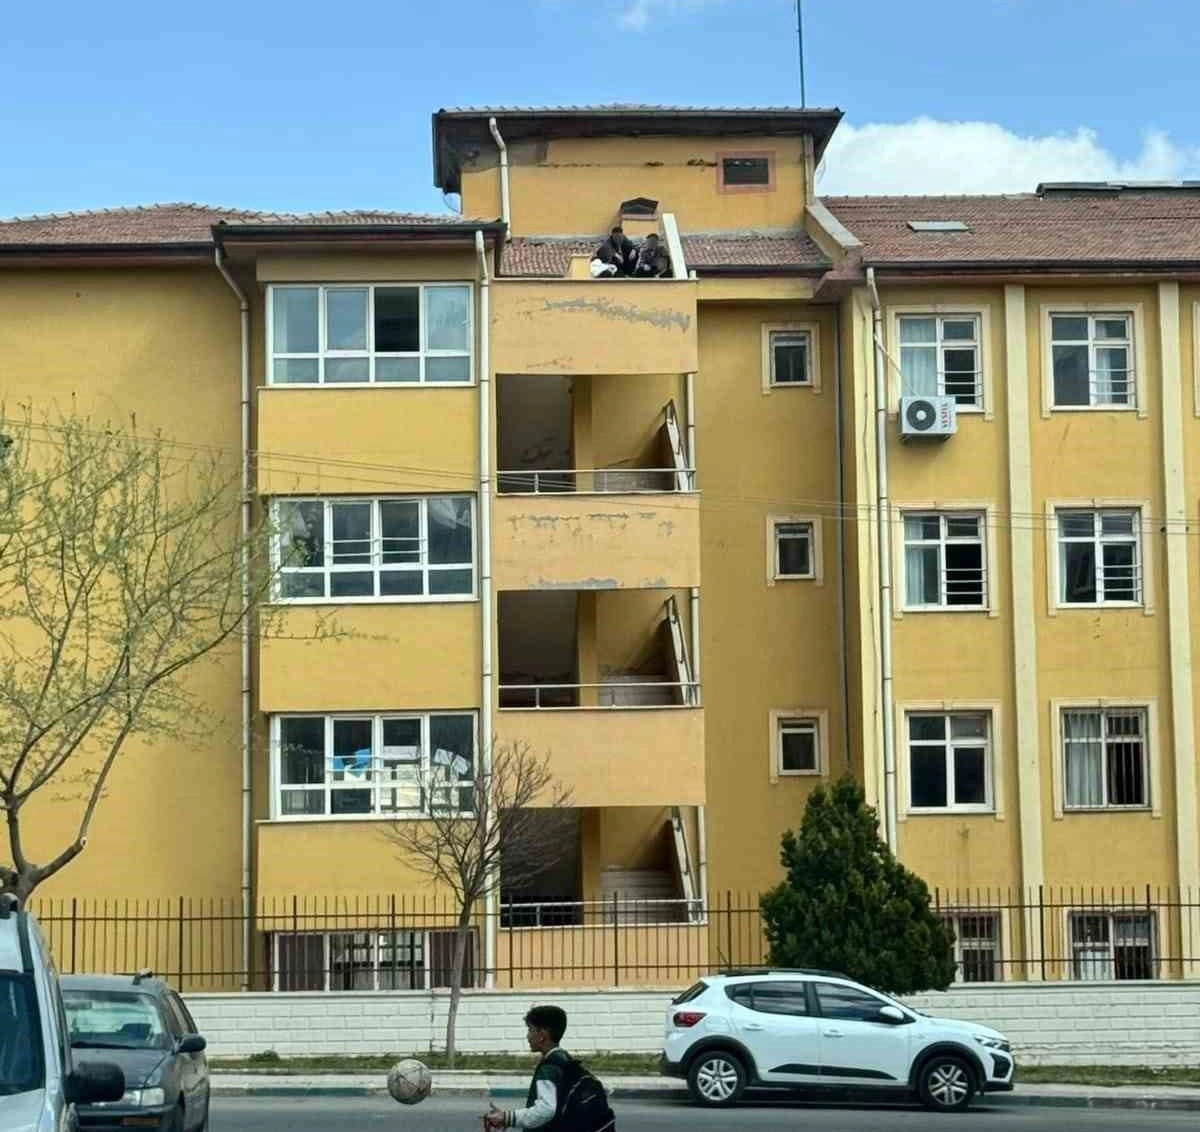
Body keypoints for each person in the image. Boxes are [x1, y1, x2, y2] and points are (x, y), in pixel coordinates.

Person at [484, 1005, 570, 1129]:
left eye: (530, 1030)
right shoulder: (564, 1059)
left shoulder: (549, 1068)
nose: (527, 1036)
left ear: (542, 1035)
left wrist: (507, 1117)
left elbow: (546, 1109)